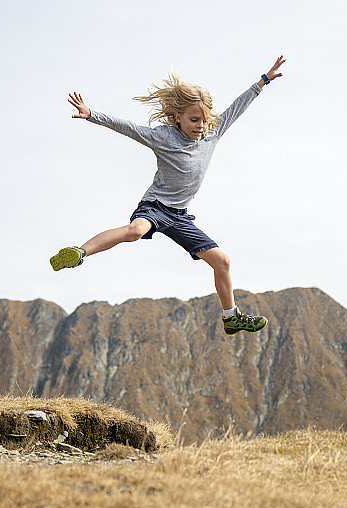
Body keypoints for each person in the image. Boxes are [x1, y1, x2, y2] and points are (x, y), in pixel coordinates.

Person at [50, 55, 286, 335]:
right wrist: (92, 115)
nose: (200, 125)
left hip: (180, 216)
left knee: (222, 261)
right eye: (193, 120)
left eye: (204, 120)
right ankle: (79, 252)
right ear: (178, 118)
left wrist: (264, 80)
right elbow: (129, 128)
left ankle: (231, 318)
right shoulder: (164, 137)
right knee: (135, 231)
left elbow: (238, 106)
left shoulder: (213, 133)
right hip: (155, 207)